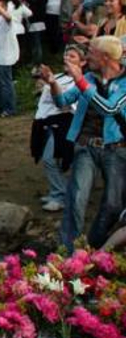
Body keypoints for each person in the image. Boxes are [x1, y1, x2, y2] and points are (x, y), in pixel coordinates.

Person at [42, 36, 126, 251]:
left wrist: (81, 81)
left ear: (105, 57)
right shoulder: (89, 76)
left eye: (92, 52)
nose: (87, 56)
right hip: (85, 145)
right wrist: (52, 83)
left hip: (115, 148)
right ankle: (69, 253)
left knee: (113, 204)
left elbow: (109, 109)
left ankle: (95, 246)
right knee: (76, 198)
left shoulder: (124, 82)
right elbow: (62, 101)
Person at [32, 44, 82, 212]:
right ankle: (58, 191)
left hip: (63, 122)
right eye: (66, 56)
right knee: (51, 158)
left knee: (51, 159)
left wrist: (51, 83)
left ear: (82, 62)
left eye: (72, 57)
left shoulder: (81, 79)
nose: (67, 59)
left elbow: (64, 101)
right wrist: (42, 84)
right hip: (44, 121)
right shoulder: (60, 75)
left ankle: (60, 194)